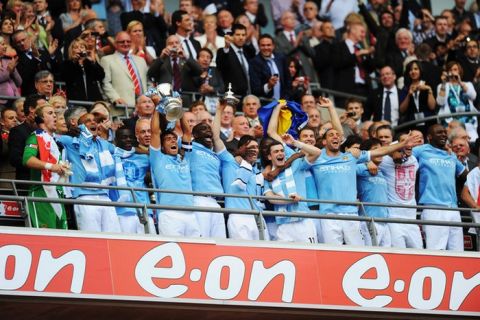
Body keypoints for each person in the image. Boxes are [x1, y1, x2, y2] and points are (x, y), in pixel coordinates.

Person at [312, 124, 422, 246]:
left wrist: (401, 144)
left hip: (351, 214)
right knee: (332, 254)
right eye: (331, 135)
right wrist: (296, 143)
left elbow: (380, 151)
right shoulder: (317, 158)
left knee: (358, 254)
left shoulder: (351, 157)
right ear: (323, 141)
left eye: (338, 135)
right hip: (328, 215)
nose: (335, 137)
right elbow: (301, 153)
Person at [56, 113, 122, 233]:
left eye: (95, 121)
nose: (93, 123)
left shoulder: (104, 144)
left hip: (105, 196)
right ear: (80, 126)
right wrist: (69, 132)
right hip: (84, 196)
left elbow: (123, 153)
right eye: (88, 121)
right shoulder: (72, 141)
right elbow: (52, 138)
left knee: (114, 238)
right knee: (92, 239)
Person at [413, 124, 467, 251]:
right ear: (429, 137)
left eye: (444, 132)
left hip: (453, 208)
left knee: (458, 251)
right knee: (436, 251)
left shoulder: (451, 155)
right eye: (439, 133)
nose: (443, 134)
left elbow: (466, 176)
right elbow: (401, 155)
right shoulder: (421, 150)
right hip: (433, 207)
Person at [150, 107, 201, 237]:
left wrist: (180, 109)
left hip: (191, 213)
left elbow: (187, 132)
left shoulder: (185, 158)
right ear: (162, 146)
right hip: (169, 213)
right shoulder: (158, 158)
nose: (173, 140)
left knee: (196, 253)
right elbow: (155, 132)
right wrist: (157, 108)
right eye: (168, 139)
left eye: (174, 139)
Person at [22, 103, 69, 229]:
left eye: (55, 113)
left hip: (57, 193)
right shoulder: (36, 137)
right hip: (41, 193)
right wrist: (51, 166)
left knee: (62, 238)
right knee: (45, 238)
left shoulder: (53, 141)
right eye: (50, 113)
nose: (55, 116)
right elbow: (27, 159)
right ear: (41, 119)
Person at [113, 125, 155, 234]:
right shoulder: (110, 157)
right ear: (116, 140)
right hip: (123, 210)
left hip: (144, 207)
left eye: (130, 137)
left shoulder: (144, 158)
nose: (128, 139)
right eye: (124, 137)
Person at [100, 31, 149, 113]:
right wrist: (115, 98)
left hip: (143, 108)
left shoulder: (141, 60)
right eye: (122, 42)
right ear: (115, 44)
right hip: (122, 109)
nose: (126, 44)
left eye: (128, 41)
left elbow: (148, 82)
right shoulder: (107, 60)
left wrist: (149, 98)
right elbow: (105, 83)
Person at [357, 138, 391, 247]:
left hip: (384, 222)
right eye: (375, 149)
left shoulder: (382, 172)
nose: (380, 152)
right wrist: (365, 162)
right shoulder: (361, 168)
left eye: (381, 149)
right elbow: (348, 166)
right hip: (368, 221)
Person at [437, 61, 478, 142]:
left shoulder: (467, 84)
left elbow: (473, 96)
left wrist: (460, 82)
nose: (453, 72)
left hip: (468, 121)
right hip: (451, 122)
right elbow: (440, 102)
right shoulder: (442, 85)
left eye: (455, 69)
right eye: (450, 70)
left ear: (459, 71)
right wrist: (444, 83)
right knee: (453, 143)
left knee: (473, 142)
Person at [61, 37, 105, 102]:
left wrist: (93, 61)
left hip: (93, 100)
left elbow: (101, 75)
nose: (80, 49)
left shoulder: (89, 62)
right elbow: (66, 77)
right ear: (72, 50)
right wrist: (74, 62)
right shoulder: (68, 63)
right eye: (76, 47)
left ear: (86, 49)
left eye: (82, 47)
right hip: (76, 100)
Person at [249, 34, 290, 101]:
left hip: (283, 102)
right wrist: (268, 86)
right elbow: (255, 89)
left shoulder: (281, 58)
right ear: (259, 46)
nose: (266, 48)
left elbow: (288, 80)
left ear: (273, 46)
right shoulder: (254, 62)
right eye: (263, 45)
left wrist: (286, 98)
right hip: (265, 103)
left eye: (268, 45)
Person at [216, 23, 252, 99]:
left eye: (243, 35)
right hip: (232, 98)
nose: (241, 37)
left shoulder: (247, 52)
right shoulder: (224, 51)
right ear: (231, 36)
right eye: (238, 35)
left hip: (247, 97)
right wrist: (226, 47)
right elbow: (221, 65)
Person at [399, 60, 436, 132]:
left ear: (420, 70)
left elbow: (432, 107)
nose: (413, 72)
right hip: (412, 123)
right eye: (410, 70)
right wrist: (409, 95)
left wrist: (429, 90)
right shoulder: (405, 88)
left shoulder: (428, 84)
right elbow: (402, 110)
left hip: (429, 121)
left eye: (416, 69)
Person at [0, 35, 21, 104]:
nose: (5, 46)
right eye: (2, 44)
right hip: (2, 102)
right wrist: (9, 71)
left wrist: (13, 70)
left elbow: (19, 82)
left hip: (15, 99)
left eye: (5, 44)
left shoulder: (8, 61)